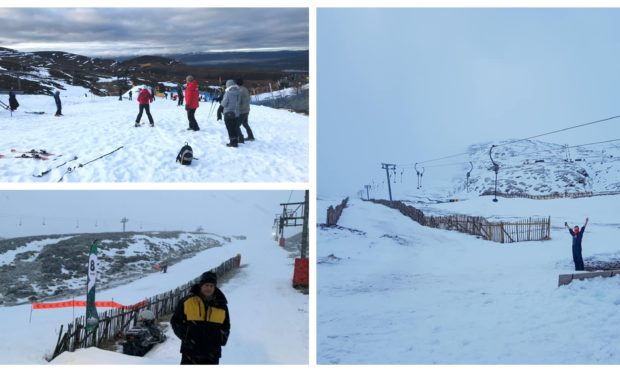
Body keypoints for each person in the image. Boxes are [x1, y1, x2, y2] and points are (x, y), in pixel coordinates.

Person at [170, 271, 230, 365]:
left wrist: (220, 339)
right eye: (206, 285)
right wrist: (186, 336)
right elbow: (175, 321)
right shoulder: (187, 301)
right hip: (190, 352)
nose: (209, 288)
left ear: (215, 287)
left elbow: (226, 326)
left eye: (211, 286)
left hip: (212, 353)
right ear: (201, 285)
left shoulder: (221, 305)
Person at [221, 80, 241, 147]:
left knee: (230, 128)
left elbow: (224, 103)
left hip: (228, 113)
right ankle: (236, 140)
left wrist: (221, 102)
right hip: (236, 113)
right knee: (235, 127)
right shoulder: (239, 92)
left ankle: (233, 142)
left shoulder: (227, 93)